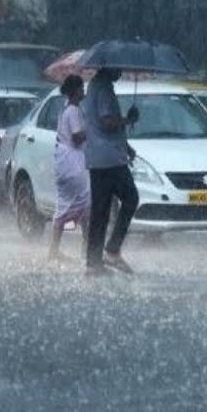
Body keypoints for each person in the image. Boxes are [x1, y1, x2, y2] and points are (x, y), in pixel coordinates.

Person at [83, 67, 140, 275]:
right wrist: (128, 120)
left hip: (97, 158)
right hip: (110, 159)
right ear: (109, 66)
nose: (121, 71)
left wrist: (127, 147)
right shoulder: (104, 87)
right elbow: (107, 123)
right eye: (118, 67)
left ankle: (93, 262)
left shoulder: (94, 86)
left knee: (100, 211)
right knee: (131, 198)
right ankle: (112, 250)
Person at [48, 75, 90, 261]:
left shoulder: (66, 109)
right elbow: (77, 137)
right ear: (75, 91)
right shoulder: (73, 110)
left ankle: (55, 249)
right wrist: (91, 128)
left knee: (65, 205)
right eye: (81, 88)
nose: (84, 92)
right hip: (72, 163)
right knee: (87, 204)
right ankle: (86, 247)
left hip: (64, 162)